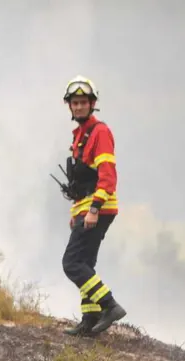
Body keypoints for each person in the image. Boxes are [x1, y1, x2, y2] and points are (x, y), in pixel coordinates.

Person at [57, 76, 127, 337]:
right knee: (85, 263)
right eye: (74, 103)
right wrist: (77, 211)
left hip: (98, 208)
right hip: (85, 207)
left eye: (82, 102)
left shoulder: (100, 133)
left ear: (92, 103)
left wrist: (94, 210)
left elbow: (107, 176)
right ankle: (90, 319)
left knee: (72, 263)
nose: (78, 107)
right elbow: (82, 181)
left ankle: (109, 305)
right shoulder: (81, 135)